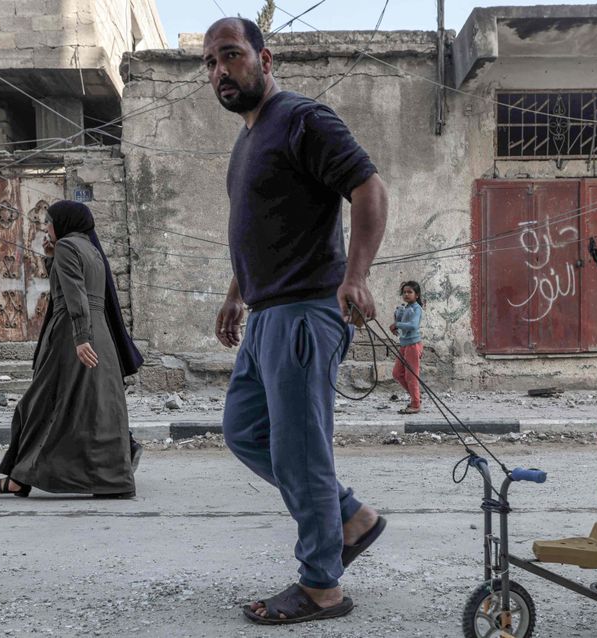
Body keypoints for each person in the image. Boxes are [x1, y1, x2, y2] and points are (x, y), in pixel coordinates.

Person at [205, 17, 389, 626]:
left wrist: (356, 275)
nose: (220, 71)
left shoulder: (304, 119)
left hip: (306, 311)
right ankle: (351, 519)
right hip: (264, 315)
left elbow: (368, 188)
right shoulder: (247, 140)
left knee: (302, 454)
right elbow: (256, 229)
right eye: (210, 63)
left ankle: (321, 587)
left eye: (230, 56)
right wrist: (237, 292)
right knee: (244, 430)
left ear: (264, 57)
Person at [0, 200, 142, 498]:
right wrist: (50, 257)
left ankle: (21, 479)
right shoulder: (90, 249)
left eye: (50, 221)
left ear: (64, 222)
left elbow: (74, 295)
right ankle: (112, 480)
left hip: (72, 336)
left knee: (37, 404)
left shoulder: (68, 246)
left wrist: (81, 338)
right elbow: (80, 286)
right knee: (92, 409)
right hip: (100, 334)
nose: (47, 227)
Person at [390, 281, 424, 414]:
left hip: (413, 345)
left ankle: (415, 404)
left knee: (411, 376)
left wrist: (397, 324)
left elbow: (414, 326)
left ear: (417, 295)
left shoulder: (417, 309)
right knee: (397, 373)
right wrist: (397, 324)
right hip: (404, 345)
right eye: (404, 292)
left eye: (410, 292)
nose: (406, 294)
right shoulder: (405, 308)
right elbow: (403, 324)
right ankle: (416, 398)